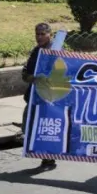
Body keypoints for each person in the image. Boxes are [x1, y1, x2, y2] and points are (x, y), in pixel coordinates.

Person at [21, 23, 56, 170]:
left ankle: (49, 159)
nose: (39, 37)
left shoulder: (57, 51)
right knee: (27, 125)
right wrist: (33, 78)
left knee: (47, 128)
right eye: (37, 34)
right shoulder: (36, 51)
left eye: (43, 34)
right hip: (34, 95)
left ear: (50, 34)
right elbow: (25, 72)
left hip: (50, 96)